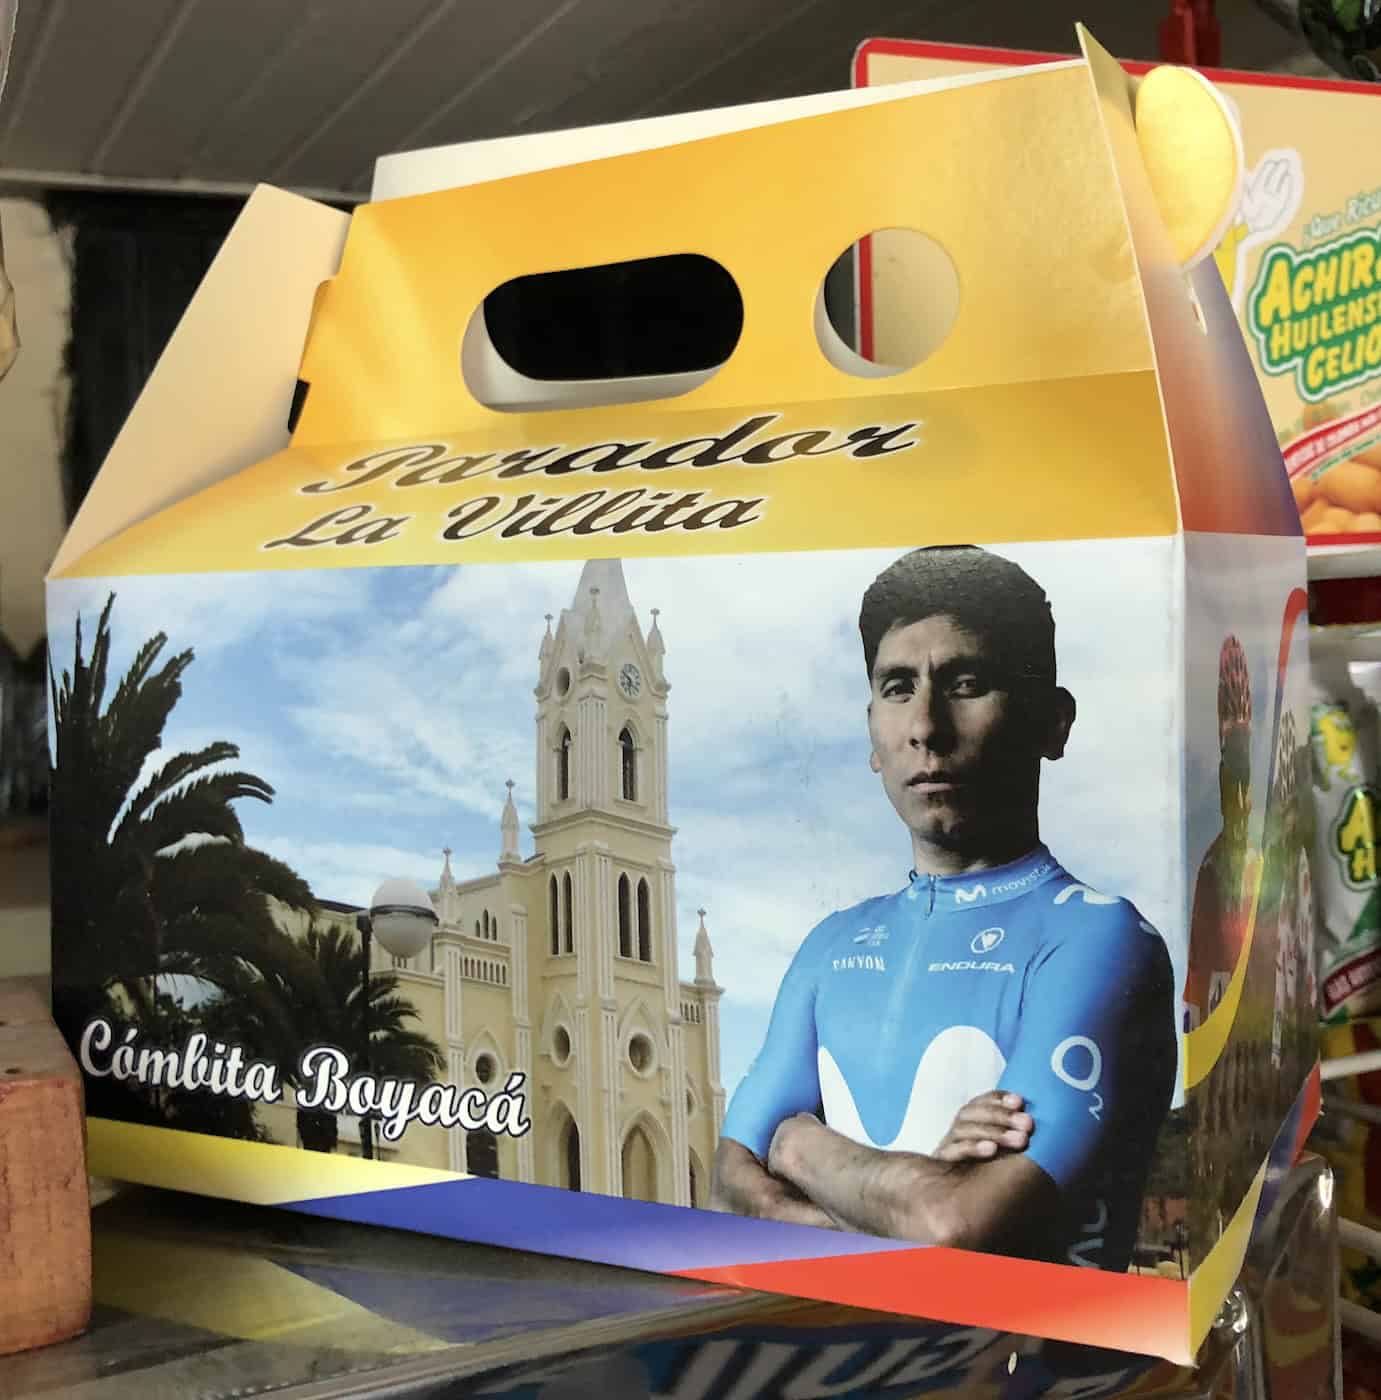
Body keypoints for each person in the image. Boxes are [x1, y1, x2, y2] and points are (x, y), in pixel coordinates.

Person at [711, 545, 1177, 1271]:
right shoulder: (831, 944)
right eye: (897, 688)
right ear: (872, 731)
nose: (925, 725)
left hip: (1040, 1380)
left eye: (964, 682)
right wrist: (910, 1182)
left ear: (1051, 723)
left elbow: (953, 1225)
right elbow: (731, 1189)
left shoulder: (1099, 937)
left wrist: (798, 1144)